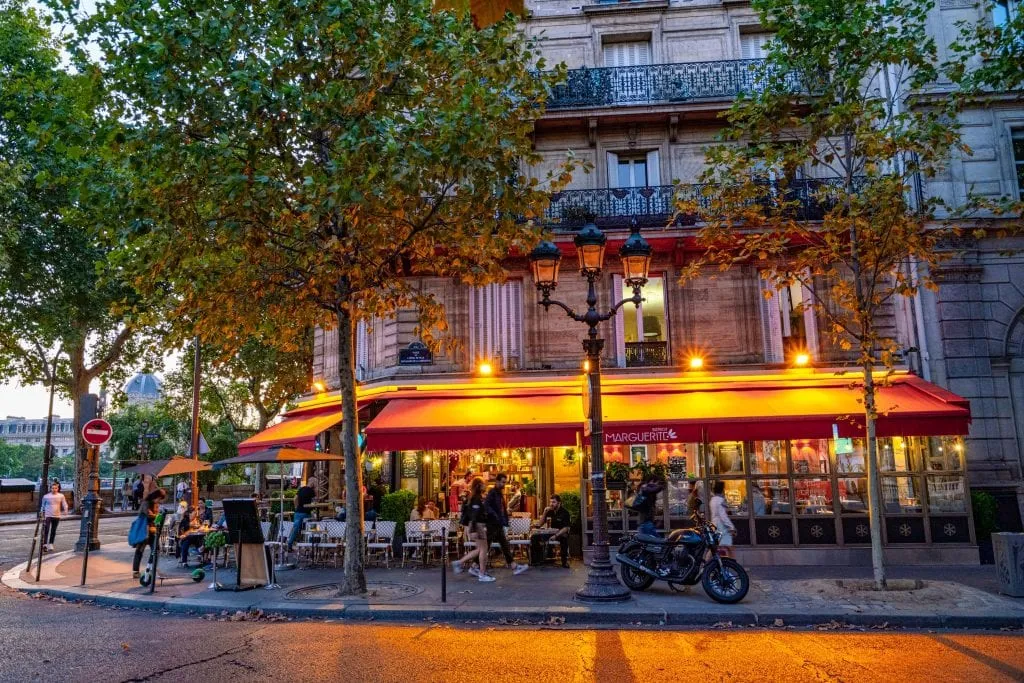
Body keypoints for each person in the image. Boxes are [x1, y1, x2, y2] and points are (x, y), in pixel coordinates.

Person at [484, 473, 529, 576]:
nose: (504, 484)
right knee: (487, 546)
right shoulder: (492, 492)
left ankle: (513, 565)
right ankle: (474, 565)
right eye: (503, 482)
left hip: (497, 523)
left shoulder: (499, 493)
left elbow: (502, 508)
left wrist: (504, 519)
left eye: (505, 482)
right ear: (497, 481)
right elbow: (487, 506)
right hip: (492, 523)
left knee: (503, 545)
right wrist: (495, 515)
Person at [452, 477, 494, 582]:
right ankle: (482, 574)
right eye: (483, 484)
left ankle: (459, 562)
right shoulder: (476, 498)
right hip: (477, 525)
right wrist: (474, 530)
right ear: (479, 485)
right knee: (484, 549)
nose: (485, 485)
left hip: (475, 525)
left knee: (480, 549)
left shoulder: (474, 497)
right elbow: (475, 515)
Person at [132, 487, 167, 579]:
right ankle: (135, 571)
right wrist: (158, 515)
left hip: (153, 530)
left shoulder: (155, 504)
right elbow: (149, 515)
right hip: (145, 530)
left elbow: (155, 516)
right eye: (159, 498)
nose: (159, 501)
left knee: (156, 550)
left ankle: (151, 567)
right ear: (156, 496)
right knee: (140, 550)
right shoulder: (146, 503)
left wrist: (158, 515)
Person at [539, 494, 571, 568]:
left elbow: (566, 528)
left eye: (553, 502)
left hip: (560, 533)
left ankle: (564, 561)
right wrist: (544, 512)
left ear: (559, 503)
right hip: (550, 532)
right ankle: (537, 560)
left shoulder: (565, 512)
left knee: (564, 539)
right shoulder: (549, 511)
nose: (551, 504)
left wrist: (556, 535)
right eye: (550, 502)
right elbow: (540, 524)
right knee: (535, 537)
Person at [287, 477, 316, 552]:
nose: (315, 484)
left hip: (298, 512)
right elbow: (314, 502)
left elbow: (295, 498)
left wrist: (296, 506)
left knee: (295, 528)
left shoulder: (301, 489)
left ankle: (289, 544)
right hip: (306, 514)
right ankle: (309, 545)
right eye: (315, 482)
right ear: (312, 483)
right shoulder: (312, 491)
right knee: (313, 525)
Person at [709, 480, 737, 558]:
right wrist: (731, 526)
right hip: (722, 527)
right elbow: (723, 516)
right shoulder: (720, 500)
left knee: (714, 547)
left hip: (714, 524)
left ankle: (705, 565)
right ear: (722, 489)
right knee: (729, 547)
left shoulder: (712, 500)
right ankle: (734, 565)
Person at [40, 481, 69, 551]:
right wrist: (41, 513)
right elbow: (43, 506)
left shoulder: (61, 496)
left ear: (58, 488)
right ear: (50, 488)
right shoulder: (46, 496)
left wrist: (66, 510)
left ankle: (51, 544)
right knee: (46, 529)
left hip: (57, 515)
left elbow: (64, 503)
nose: (54, 489)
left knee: (53, 530)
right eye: (52, 488)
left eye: (55, 488)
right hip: (48, 515)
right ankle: (44, 544)